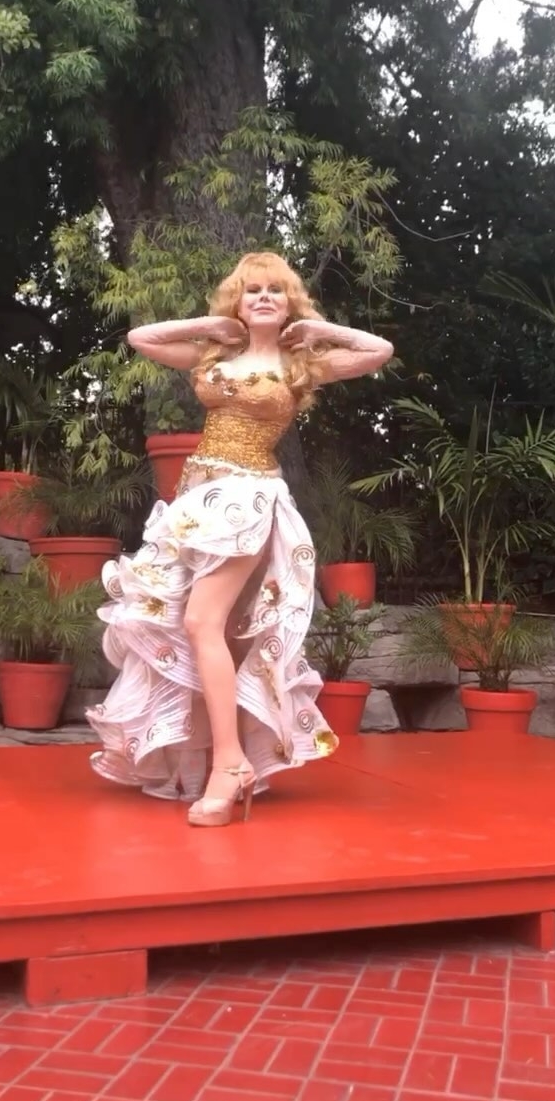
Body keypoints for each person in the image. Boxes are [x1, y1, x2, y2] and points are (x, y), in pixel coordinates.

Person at [87, 252, 393, 827]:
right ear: (239, 300)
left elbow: (378, 350)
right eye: (253, 290)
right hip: (196, 500)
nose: (264, 297)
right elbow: (141, 338)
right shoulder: (212, 354)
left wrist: (319, 330)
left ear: (290, 302)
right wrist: (211, 325)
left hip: (248, 500)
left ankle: (230, 765)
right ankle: (216, 757)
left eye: (276, 290)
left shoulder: (301, 363)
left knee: (201, 622)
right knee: (210, 630)